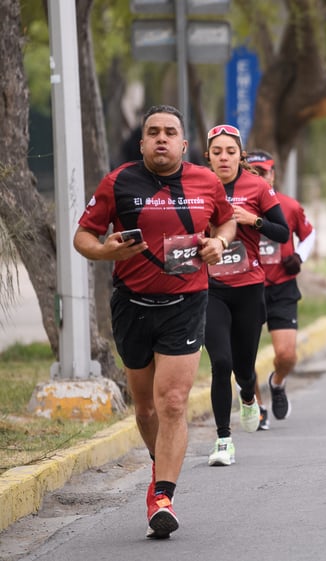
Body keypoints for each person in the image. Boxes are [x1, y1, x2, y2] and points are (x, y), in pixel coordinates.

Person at [73, 105, 237, 539]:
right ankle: (158, 465)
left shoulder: (205, 180)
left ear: (184, 144)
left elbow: (226, 220)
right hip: (132, 304)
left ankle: (162, 496)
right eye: (153, 132)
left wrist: (219, 242)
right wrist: (106, 251)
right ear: (142, 141)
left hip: (186, 301)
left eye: (170, 132)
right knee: (145, 408)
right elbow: (82, 237)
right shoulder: (118, 182)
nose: (161, 138)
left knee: (173, 403)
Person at [204, 125, 290, 465]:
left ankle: (248, 395)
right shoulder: (195, 186)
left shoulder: (257, 187)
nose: (223, 158)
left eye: (230, 151)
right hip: (211, 288)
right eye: (216, 152)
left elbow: (282, 232)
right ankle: (223, 440)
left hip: (250, 287)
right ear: (207, 156)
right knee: (220, 362)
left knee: (243, 366)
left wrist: (254, 221)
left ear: (241, 155)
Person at [247, 149, 316, 428]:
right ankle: (257, 407)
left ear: (273, 175)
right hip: (246, 287)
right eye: (252, 173)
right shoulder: (235, 207)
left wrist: (299, 256)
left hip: (282, 286)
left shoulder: (287, 206)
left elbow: (309, 233)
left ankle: (277, 382)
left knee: (286, 355)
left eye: (264, 172)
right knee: (245, 356)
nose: (259, 178)